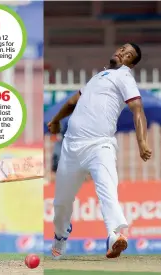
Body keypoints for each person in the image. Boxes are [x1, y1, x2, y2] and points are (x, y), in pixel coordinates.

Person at [47, 43, 152, 259]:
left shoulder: (124, 77)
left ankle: (115, 235)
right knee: (61, 203)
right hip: (71, 147)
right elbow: (73, 102)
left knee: (108, 190)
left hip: (100, 145)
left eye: (128, 54)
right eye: (123, 48)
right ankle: (61, 235)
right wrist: (56, 120)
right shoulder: (98, 76)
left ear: (130, 64)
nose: (122, 52)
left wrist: (142, 142)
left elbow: (137, 109)